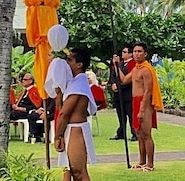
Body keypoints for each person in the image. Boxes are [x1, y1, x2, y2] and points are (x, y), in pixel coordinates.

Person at [112, 41, 163, 171]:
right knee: (139, 134)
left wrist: (142, 110)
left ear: (145, 54)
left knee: (146, 134)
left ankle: (150, 164)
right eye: (135, 51)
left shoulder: (146, 69)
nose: (136, 54)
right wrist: (117, 66)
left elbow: (148, 91)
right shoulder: (136, 69)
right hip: (135, 101)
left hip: (144, 102)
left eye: (139, 51)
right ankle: (142, 161)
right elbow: (124, 80)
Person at [54, 47, 99, 181]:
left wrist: (57, 136)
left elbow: (64, 113)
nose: (66, 63)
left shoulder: (79, 84)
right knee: (69, 171)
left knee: (79, 172)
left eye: (69, 60)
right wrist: (59, 94)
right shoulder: (73, 83)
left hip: (76, 129)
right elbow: (61, 109)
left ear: (79, 65)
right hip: (70, 128)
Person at [109, 45, 137, 141]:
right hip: (118, 94)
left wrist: (119, 86)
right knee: (120, 115)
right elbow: (113, 75)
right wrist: (113, 83)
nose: (122, 54)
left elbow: (128, 79)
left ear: (130, 54)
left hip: (127, 93)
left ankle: (135, 133)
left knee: (130, 114)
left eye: (125, 52)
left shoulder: (133, 64)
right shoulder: (119, 64)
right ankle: (121, 132)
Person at [11, 72, 46, 142]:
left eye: (25, 79)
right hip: (18, 111)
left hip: (27, 112)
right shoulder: (25, 91)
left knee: (9, 115)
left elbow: (36, 105)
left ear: (30, 81)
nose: (22, 81)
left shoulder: (35, 91)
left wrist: (21, 108)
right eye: (22, 79)